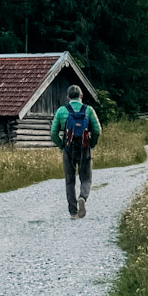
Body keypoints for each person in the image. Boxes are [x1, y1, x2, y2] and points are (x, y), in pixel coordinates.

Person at [50, 84, 102, 218]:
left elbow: (53, 133)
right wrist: (92, 143)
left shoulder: (62, 111)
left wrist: (62, 146)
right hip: (85, 148)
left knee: (69, 180)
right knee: (86, 178)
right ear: (81, 96)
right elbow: (97, 130)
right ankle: (83, 198)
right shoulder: (88, 110)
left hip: (68, 148)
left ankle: (73, 212)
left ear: (68, 97)